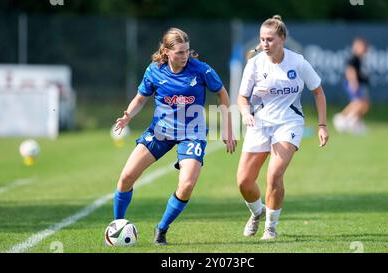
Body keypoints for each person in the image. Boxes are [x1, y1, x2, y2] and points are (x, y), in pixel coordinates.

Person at [112, 27, 236, 246]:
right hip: (161, 131)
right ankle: (117, 227)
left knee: (187, 184)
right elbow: (141, 98)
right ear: (166, 52)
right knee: (126, 177)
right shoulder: (154, 70)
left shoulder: (201, 70)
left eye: (187, 51)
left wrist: (227, 127)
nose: (185, 56)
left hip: (192, 133)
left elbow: (222, 93)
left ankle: (161, 229)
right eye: (179, 52)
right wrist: (128, 116)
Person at [236, 15, 328, 240]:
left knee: (274, 175)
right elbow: (241, 97)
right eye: (262, 39)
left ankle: (271, 227)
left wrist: (322, 125)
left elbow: (318, 91)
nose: (265, 44)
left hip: (289, 123)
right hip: (259, 123)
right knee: (244, 181)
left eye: (270, 39)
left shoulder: (298, 62)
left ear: (282, 38)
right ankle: (258, 212)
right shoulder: (255, 63)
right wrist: (246, 113)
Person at [333, 37, 370, 134]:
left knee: (364, 104)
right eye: (362, 46)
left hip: (360, 84)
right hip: (353, 83)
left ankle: (353, 121)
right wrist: (353, 82)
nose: (365, 49)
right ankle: (343, 118)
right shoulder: (353, 58)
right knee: (358, 103)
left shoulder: (360, 59)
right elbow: (350, 70)